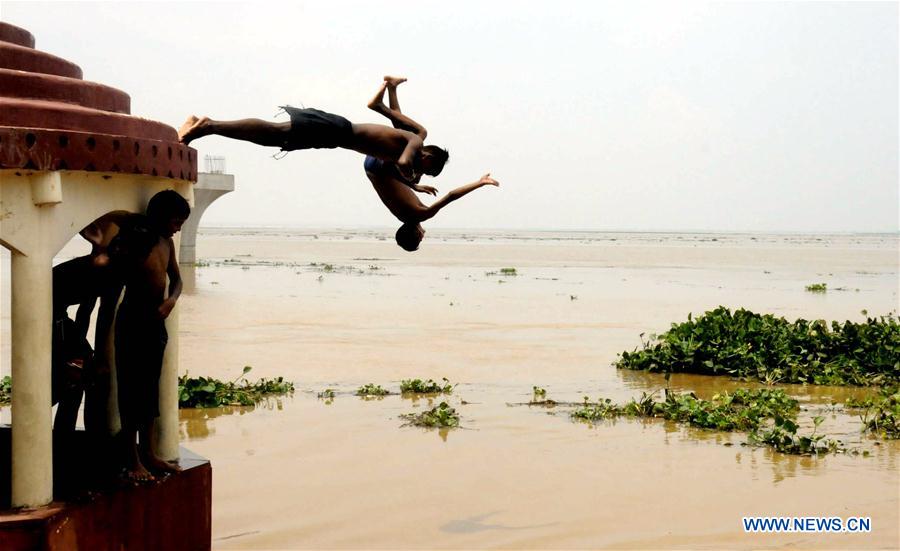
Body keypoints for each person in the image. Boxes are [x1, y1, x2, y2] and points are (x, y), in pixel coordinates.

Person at [177, 84, 449, 181]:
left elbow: (396, 166)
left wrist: (414, 183)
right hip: (338, 130)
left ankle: (206, 125)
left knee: (273, 138)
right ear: (427, 154)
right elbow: (403, 164)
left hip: (335, 136)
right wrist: (413, 177)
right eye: (427, 167)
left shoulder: (402, 145)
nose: (422, 170)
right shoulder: (414, 141)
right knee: (274, 133)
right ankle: (208, 126)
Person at [363, 77, 499, 251]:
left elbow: (450, 196)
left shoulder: (422, 214)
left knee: (419, 134)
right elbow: (393, 188)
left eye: (420, 240)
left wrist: (479, 183)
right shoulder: (403, 216)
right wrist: (414, 185)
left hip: (380, 167)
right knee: (403, 133)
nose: (423, 236)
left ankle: (379, 105)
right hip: (374, 168)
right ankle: (392, 88)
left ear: (417, 235)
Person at [116, 191, 189, 481]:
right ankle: (132, 459)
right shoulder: (138, 241)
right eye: (175, 221)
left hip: (157, 319)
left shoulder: (167, 243)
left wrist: (171, 300)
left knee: (150, 390)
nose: (178, 228)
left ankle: (149, 453)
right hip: (133, 318)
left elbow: (178, 279)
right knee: (130, 390)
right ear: (160, 217)